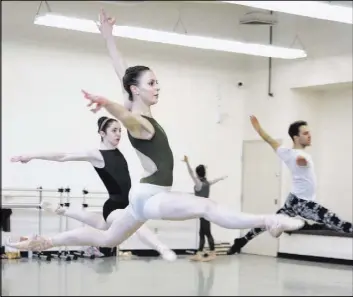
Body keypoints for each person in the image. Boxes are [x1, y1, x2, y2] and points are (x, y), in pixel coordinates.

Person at [7, 10, 305, 253]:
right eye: (151, 83)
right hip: (151, 196)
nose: (157, 87)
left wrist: (109, 37)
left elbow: (121, 71)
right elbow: (124, 115)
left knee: (109, 239)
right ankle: (270, 220)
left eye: (156, 82)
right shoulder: (140, 122)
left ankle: (46, 242)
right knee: (208, 207)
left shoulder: (140, 109)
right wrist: (108, 103)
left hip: (143, 196)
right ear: (136, 90)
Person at [9, 116, 177, 261]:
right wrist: (31, 156)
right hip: (114, 207)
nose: (118, 134)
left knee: (102, 226)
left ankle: (61, 210)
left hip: (121, 205)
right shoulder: (97, 154)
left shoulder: (118, 152)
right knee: (135, 222)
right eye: (114, 130)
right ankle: (161, 248)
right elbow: (63, 156)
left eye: (119, 130)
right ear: (102, 134)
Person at [227, 116, 353, 255]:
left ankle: (241, 241)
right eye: (305, 133)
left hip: (293, 200)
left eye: (309, 133)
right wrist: (301, 161)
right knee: (335, 221)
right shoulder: (297, 156)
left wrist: (258, 128)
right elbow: (299, 160)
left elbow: (269, 140)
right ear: (296, 137)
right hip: (303, 203)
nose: (309, 136)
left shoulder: (286, 153)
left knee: (269, 221)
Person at [182, 155, 227, 261]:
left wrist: (187, 162)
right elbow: (214, 180)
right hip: (204, 211)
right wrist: (221, 178)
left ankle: (213, 252)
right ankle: (199, 253)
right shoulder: (207, 183)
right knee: (202, 232)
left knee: (207, 232)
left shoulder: (199, 184)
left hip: (204, 212)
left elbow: (191, 173)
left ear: (198, 173)